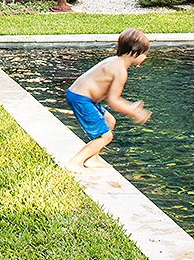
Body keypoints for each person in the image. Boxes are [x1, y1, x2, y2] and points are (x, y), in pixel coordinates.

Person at [64, 28, 152, 171]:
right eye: (145, 54)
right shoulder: (120, 71)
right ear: (134, 52)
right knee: (106, 136)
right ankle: (74, 162)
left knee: (109, 121)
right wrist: (134, 112)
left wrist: (130, 107)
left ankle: (92, 158)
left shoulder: (114, 61)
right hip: (81, 99)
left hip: (81, 96)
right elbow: (113, 101)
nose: (145, 57)